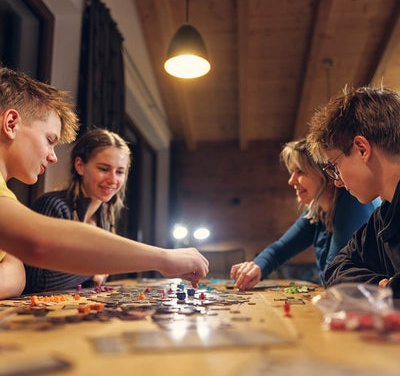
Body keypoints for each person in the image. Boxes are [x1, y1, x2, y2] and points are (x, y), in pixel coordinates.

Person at [0, 66, 208, 299]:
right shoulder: (51, 204)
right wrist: (164, 258)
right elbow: (38, 245)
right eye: (50, 140)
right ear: (11, 124)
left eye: (120, 171)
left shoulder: (7, 195)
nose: (53, 156)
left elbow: (17, 270)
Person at [230, 139, 380, 290]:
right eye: (292, 172)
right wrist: (256, 266)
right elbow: (280, 249)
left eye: (300, 171)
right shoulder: (317, 211)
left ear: (325, 174)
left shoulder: (352, 203)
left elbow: (334, 274)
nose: (291, 181)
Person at [307, 85, 400, 296]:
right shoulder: (383, 217)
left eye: (335, 166)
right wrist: (380, 287)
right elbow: (336, 269)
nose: (337, 181)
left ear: (362, 149)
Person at [24, 128, 131, 293]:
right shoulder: (53, 205)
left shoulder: (105, 215)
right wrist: (92, 268)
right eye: (103, 169)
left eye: (120, 172)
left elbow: (97, 277)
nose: (113, 180)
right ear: (80, 166)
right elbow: (36, 281)